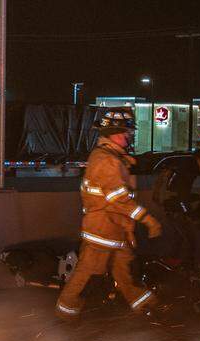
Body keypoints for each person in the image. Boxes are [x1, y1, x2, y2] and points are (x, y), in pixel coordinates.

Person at [57, 109, 163, 319]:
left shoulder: (113, 157)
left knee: (125, 273)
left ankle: (147, 307)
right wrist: (148, 220)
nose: (129, 136)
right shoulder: (106, 160)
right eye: (126, 132)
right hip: (102, 230)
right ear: (113, 133)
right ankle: (66, 312)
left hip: (115, 228)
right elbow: (119, 200)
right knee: (88, 273)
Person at [151, 148, 200, 270]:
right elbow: (181, 195)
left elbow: (180, 192)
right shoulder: (189, 171)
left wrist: (197, 197)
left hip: (172, 206)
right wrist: (188, 213)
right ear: (199, 159)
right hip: (175, 209)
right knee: (189, 239)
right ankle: (185, 268)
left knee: (181, 237)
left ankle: (173, 265)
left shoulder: (185, 168)